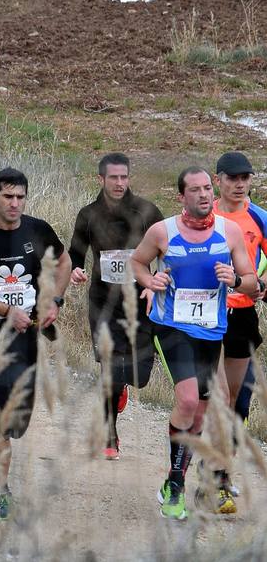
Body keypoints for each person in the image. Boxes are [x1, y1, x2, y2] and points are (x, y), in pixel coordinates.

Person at [130, 167, 257, 521]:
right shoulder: (163, 232)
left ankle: (176, 477)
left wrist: (236, 280)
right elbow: (136, 263)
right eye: (195, 190)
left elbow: (250, 282)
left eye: (206, 189)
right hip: (172, 327)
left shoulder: (229, 232)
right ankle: (174, 484)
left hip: (211, 332)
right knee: (187, 400)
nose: (203, 195)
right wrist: (150, 279)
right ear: (181, 196)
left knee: (202, 412)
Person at [0, 167, 71, 522]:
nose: (15, 204)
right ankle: (1, 493)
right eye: (8, 197)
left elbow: (65, 261)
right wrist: (7, 310)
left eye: (20, 197)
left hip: (27, 336)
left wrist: (55, 301)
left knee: (17, 423)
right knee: (2, 407)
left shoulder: (36, 230)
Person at [67, 153, 163, 461]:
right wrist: (75, 270)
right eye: (113, 178)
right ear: (101, 179)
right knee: (111, 365)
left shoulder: (148, 211)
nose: (120, 183)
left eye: (124, 177)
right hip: (102, 301)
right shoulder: (88, 214)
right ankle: (110, 433)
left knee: (140, 375)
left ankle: (122, 387)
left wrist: (160, 275)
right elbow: (75, 253)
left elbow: (167, 249)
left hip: (142, 298)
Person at [211, 151, 267, 500]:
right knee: (215, 398)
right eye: (232, 178)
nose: (240, 184)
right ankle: (212, 478)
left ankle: (219, 472)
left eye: (245, 178)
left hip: (243, 314)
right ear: (219, 179)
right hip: (205, 316)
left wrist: (263, 287)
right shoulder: (204, 214)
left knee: (238, 401)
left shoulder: (260, 218)